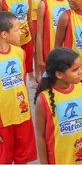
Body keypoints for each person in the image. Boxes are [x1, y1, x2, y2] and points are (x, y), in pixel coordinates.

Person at [34, 47, 82, 164]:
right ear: (59, 74)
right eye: (75, 70)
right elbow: (40, 137)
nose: (80, 72)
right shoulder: (43, 100)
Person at [0, 12, 37, 164]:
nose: (21, 32)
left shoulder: (19, 53)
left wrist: (27, 111)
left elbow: (22, 84)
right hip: (3, 122)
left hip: (22, 116)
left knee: (23, 159)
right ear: (4, 34)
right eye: (16, 29)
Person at [0, 0, 35, 84]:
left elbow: (29, 18)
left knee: (26, 66)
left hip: (26, 38)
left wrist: (33, 39)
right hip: (11, 42)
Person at [35, 0, 69, 78]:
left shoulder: (70, 1)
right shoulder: (44, 3)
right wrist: (40, 59)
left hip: (67, 51)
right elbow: (39, 34)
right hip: (50, 52)